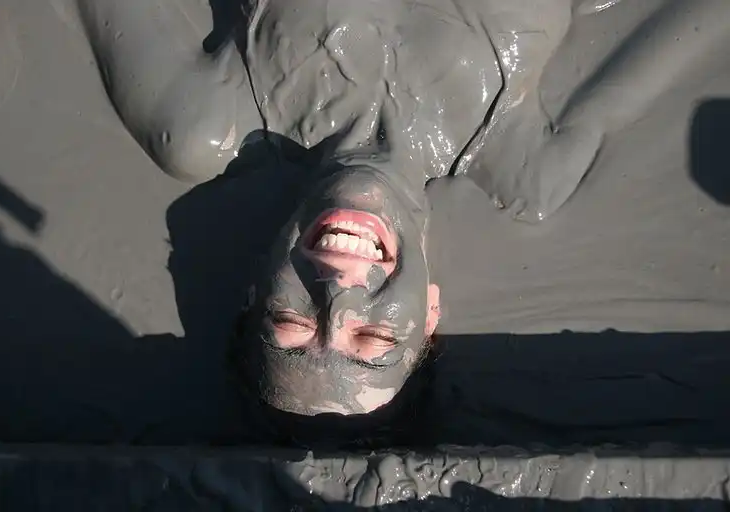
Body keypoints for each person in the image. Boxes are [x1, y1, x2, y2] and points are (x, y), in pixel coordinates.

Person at [77, 0, 730, 417]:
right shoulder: (525, 165)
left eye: (293, 321)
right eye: (374, 339)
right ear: (431, 314)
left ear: (255, 291)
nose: (339, 294)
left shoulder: (207, 122)